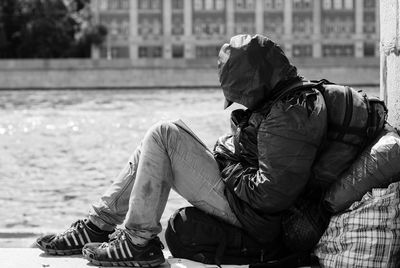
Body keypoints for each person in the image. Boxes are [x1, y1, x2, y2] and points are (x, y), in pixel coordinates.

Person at [36, 34, 327, 267]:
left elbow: (270, 195)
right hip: (248, 204)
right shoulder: (286, 101)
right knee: (165, 132)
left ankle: (134, 241)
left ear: (255, 82)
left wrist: (227, 163)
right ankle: (98, 225)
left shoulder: (291, 111)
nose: (241, 103)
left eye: (241, 95)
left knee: (164, 135)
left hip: (255, 216)